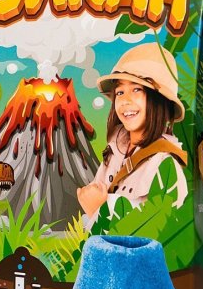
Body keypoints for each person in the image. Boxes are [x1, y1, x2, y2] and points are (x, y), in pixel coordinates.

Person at [77, 43, 188, 219]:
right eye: (120, 92)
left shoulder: (165, 165)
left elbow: (164, 229)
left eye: (137, 89)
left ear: (159, 100)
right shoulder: (115, 149)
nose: (124, 100)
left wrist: (98, 210)